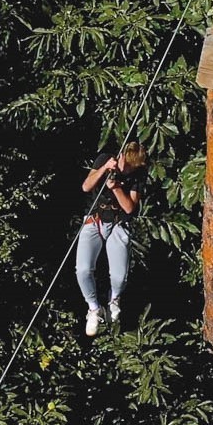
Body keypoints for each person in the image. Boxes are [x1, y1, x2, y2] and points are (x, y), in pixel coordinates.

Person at [77, 142, 146, 335]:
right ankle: (93, 308)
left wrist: (116, 188)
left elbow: (130, 208)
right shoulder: (105, 159)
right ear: (122, 156)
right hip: (95, 220)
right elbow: (86, 186)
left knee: (119, 276)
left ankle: (114, 300)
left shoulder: (138, 175)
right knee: (82, 270)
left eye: (134, 167)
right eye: (128, 164)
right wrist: (104, 169)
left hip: (118, 223)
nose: (129, 169)